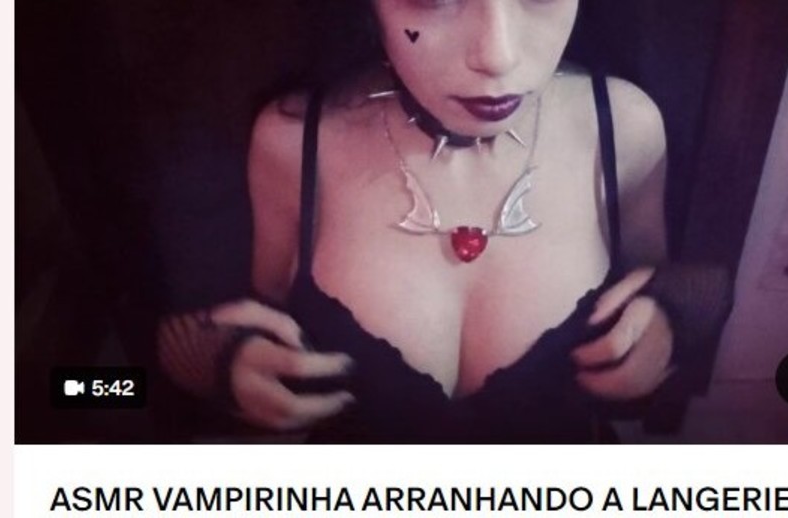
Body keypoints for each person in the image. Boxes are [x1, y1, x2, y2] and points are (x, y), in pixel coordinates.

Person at [157, 0, 730, 442]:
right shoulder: (293, 143)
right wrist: (213, 360)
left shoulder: (623, 127)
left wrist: (680, 312)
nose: (498, 56)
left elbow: (650, 285)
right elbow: (263, 315)